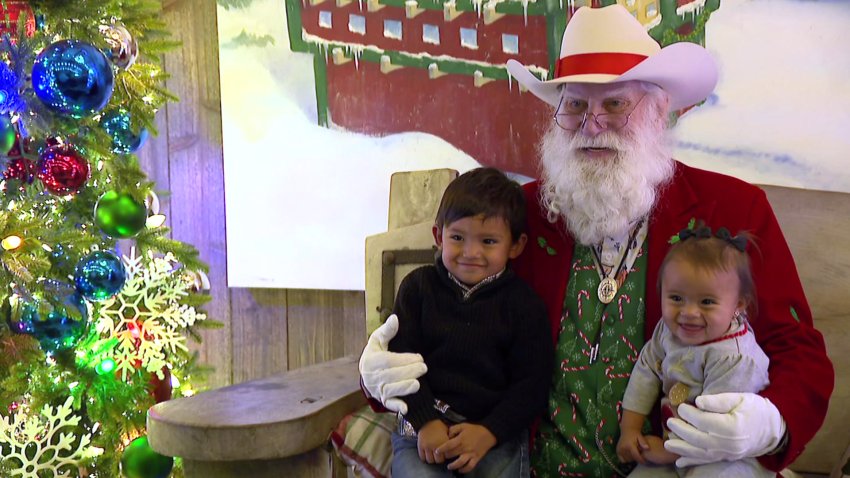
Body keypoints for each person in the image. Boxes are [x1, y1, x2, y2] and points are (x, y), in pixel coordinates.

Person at [359, 5, 834, 477]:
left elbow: (798, 350)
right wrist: (376, 375)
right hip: (521, 463)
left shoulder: (732, 207)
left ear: (658, 110)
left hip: (667, 462)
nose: (592, 123)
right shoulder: (512, 216)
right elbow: (440, 309)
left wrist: (769, 422)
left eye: (614, 104)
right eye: (576, 105)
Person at [386, 167, 553, 477]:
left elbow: (532, 384)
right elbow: (399, 362)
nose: (471, 253)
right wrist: (426, 421)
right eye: (458, 237)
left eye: (488, 241)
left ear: (515, 245)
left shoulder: (524, 305)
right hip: (422, 427)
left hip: (492, 433)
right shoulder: (417, 289)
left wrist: (489, 431)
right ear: (439, 236)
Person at [616, 225, 772, 477]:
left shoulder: (735, 357)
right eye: (676, 298)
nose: (688, 313)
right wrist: (630, 429)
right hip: (676, 445)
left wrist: (668, 451)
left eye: (707, 302)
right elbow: (646, 369)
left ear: (739, 305)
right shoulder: (668, 330)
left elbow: (718, 427)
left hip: (727, 455)